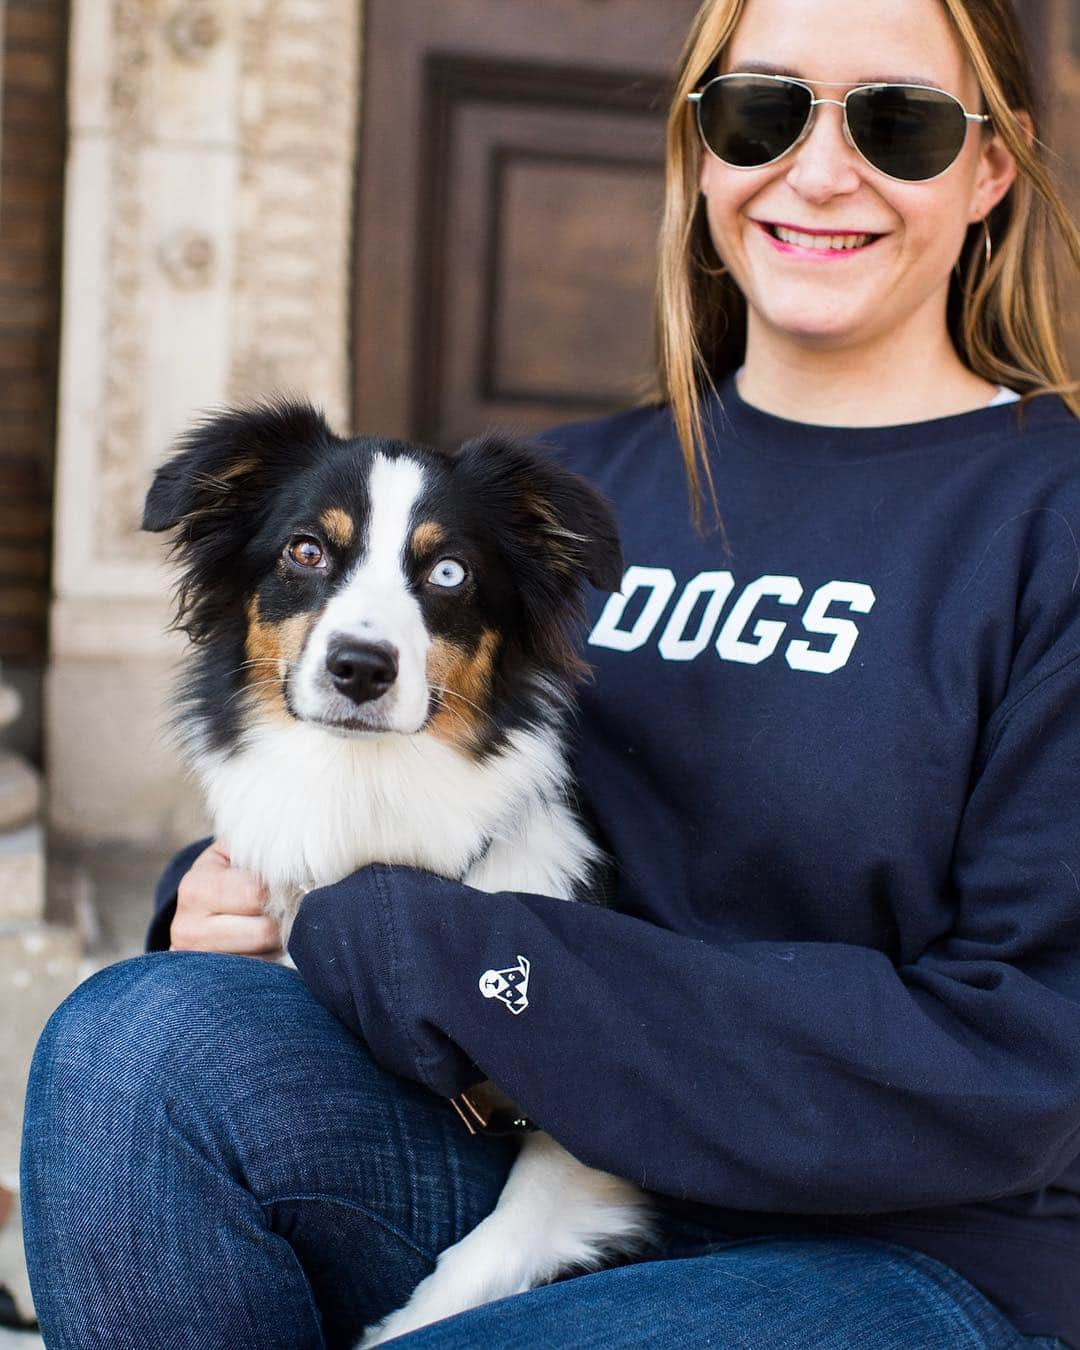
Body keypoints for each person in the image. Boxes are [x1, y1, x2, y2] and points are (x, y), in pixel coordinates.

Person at [20, 0, 1080, 1345]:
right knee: (134, 1044)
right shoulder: (563, 499)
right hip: (541, 1159)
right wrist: (237, 894)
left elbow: (1023, 1063)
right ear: (702, 149)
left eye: (899, 121)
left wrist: (459, 961)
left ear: (990, 167)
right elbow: (439, 798)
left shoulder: (1049, 518)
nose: (819, 171)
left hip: (904, 1254)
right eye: (763, 110)